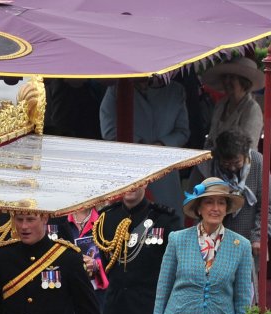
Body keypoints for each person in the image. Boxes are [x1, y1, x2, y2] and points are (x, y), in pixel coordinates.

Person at [152, 178, 253, 314]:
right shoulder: (177, 239)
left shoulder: (242, 246)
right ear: (199, 208)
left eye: (221, 203)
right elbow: (163, 289)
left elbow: (243, 300)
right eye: (209, 202)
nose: (215, 208)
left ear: (227, 209)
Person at [94, 185, 178, 314]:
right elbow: (108, 264)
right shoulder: (107, 219)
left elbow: (172, 268)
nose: (131, 187)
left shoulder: (163, 219)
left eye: (137, 182)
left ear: (146, 182)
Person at [100, 78, 190, 227]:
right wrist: (140, 144)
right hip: (131, 166)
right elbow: (108, 129)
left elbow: (183, 132)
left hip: (164, 170)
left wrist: (161, 144)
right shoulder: (117, 89)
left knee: (169, 223)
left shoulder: (175, 90)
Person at [187, 129, 263, 250]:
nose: (232, 168)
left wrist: (258, 236)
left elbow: (266, 205)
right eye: (226, 163)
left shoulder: (258, 162)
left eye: (237, 162)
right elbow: (194, 201)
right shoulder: (206, 164)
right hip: (212, 237)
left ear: (245, 154)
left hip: (248, 237)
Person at [201, 56, 263, 148]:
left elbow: (248, 148)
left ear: (244, 82)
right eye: (225, 77)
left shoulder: (252, 109)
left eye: (232, 77)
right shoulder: (221, 104)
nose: (226, 81)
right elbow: (210, 139)